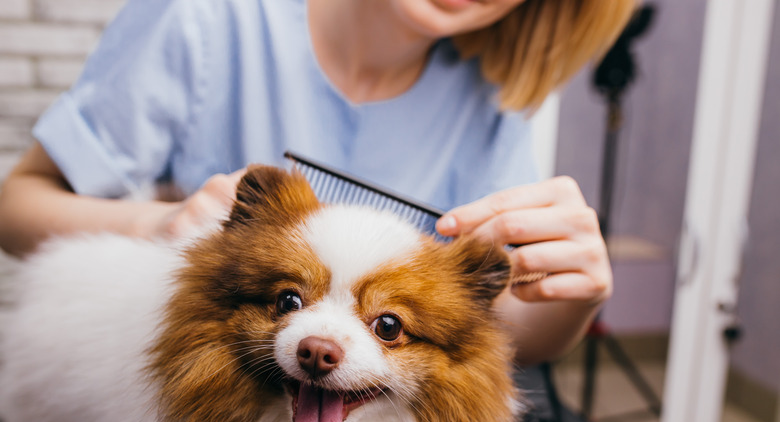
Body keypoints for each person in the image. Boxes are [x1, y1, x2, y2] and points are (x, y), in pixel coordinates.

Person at [0, 0, 635, 365]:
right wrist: (156, 228)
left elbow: (500, 340)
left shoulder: (493, 104)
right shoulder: (206, 19)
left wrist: (575, 297)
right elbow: (15, 206)